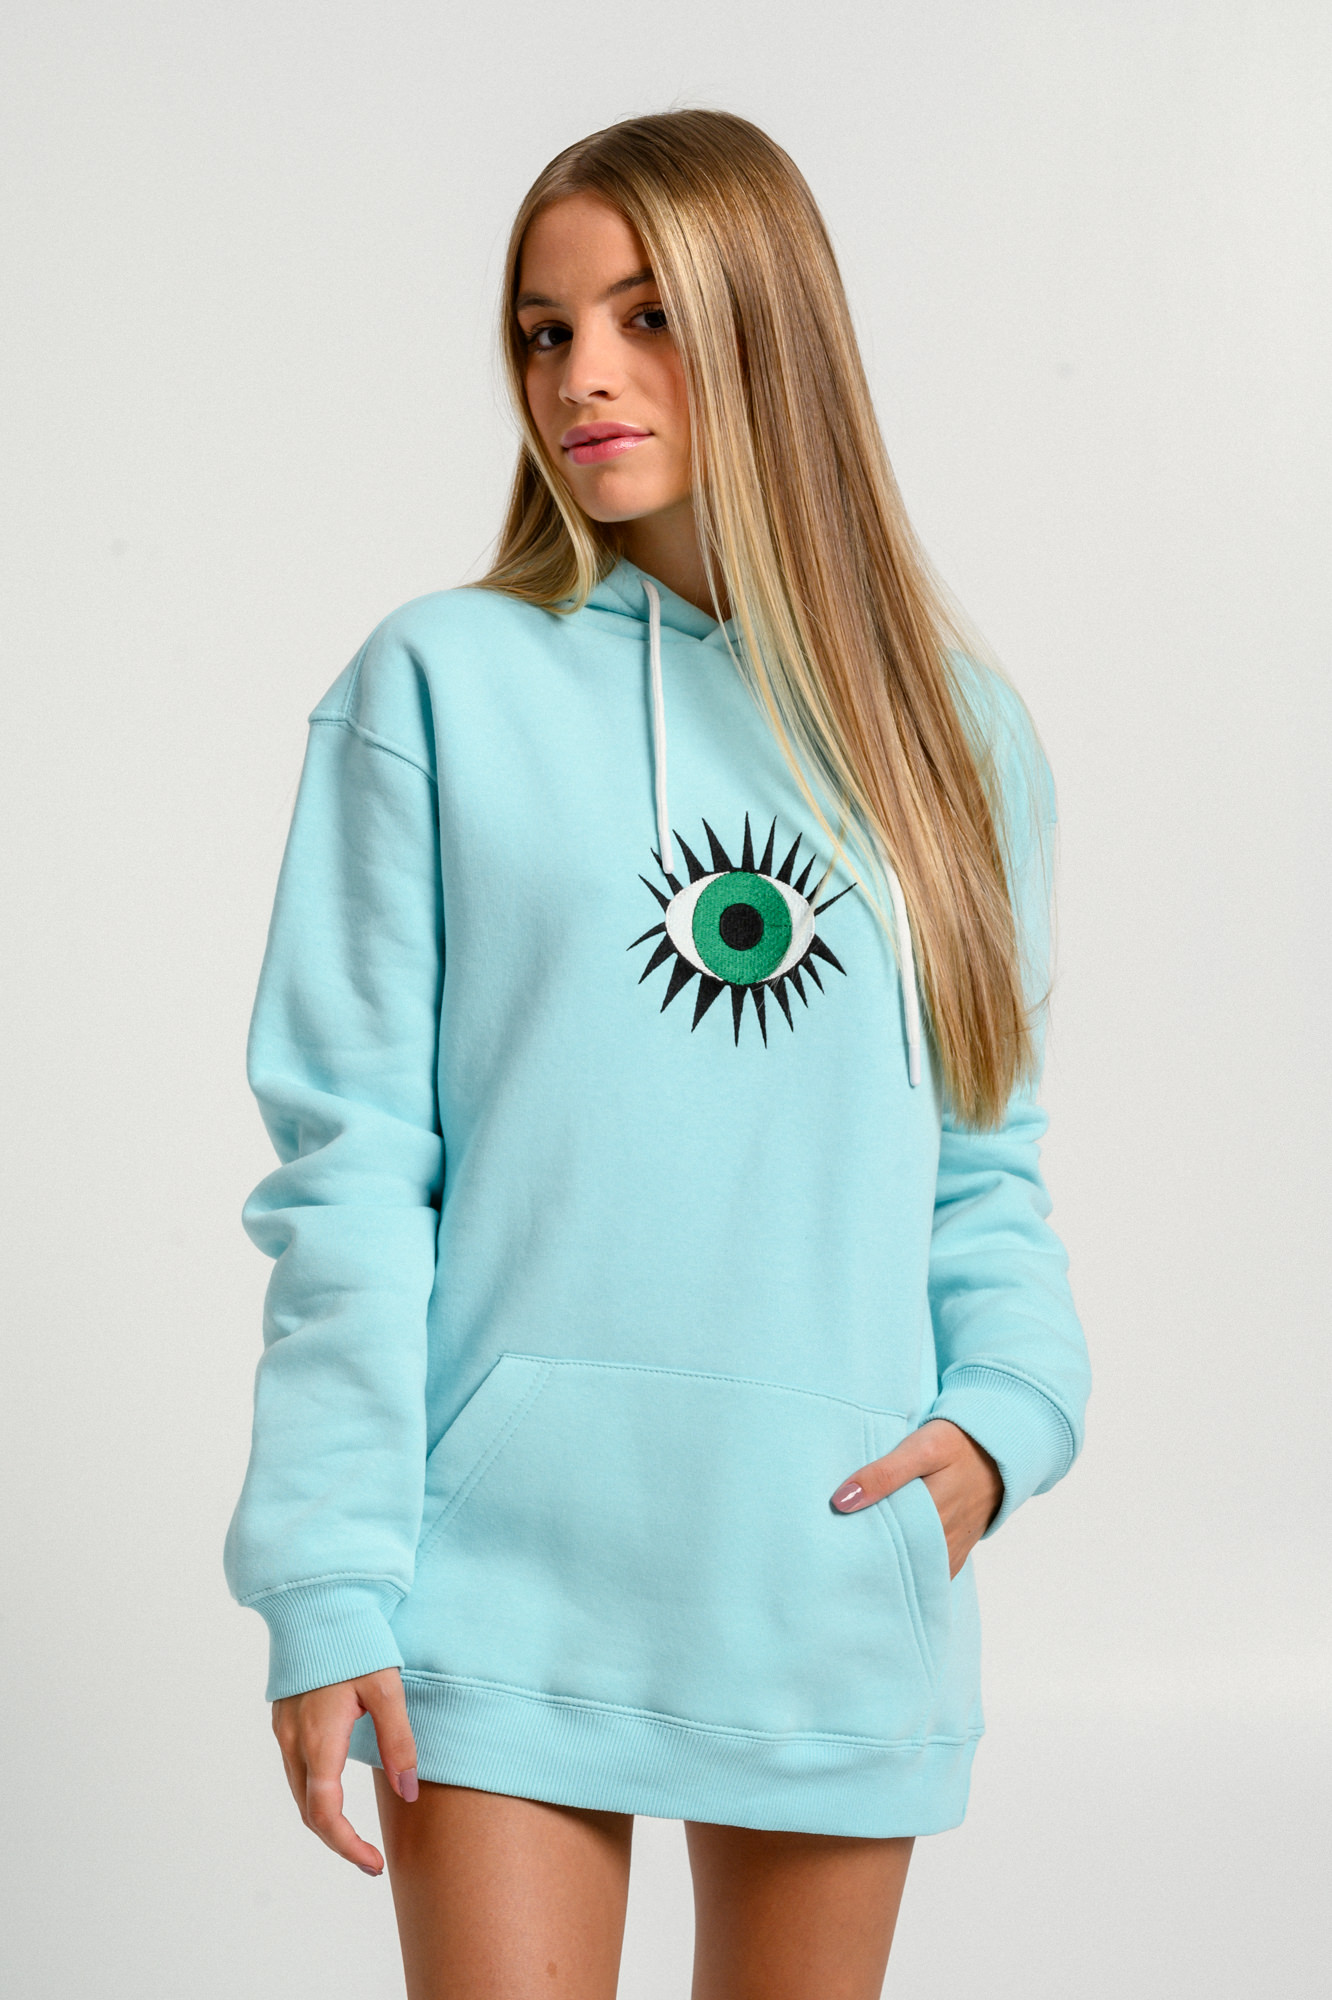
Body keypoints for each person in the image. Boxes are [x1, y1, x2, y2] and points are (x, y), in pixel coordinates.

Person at [224, 108, 1091, 2000]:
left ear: (772, 328)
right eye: (545, 332)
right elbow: (351, 1166)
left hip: (829, 1571)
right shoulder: (437, 685)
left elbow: (983, 1163)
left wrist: (1007, 1422)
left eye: (646, 317)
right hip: (498, 1583)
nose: (581, 379)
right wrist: (328, 1573)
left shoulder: (958, 740)